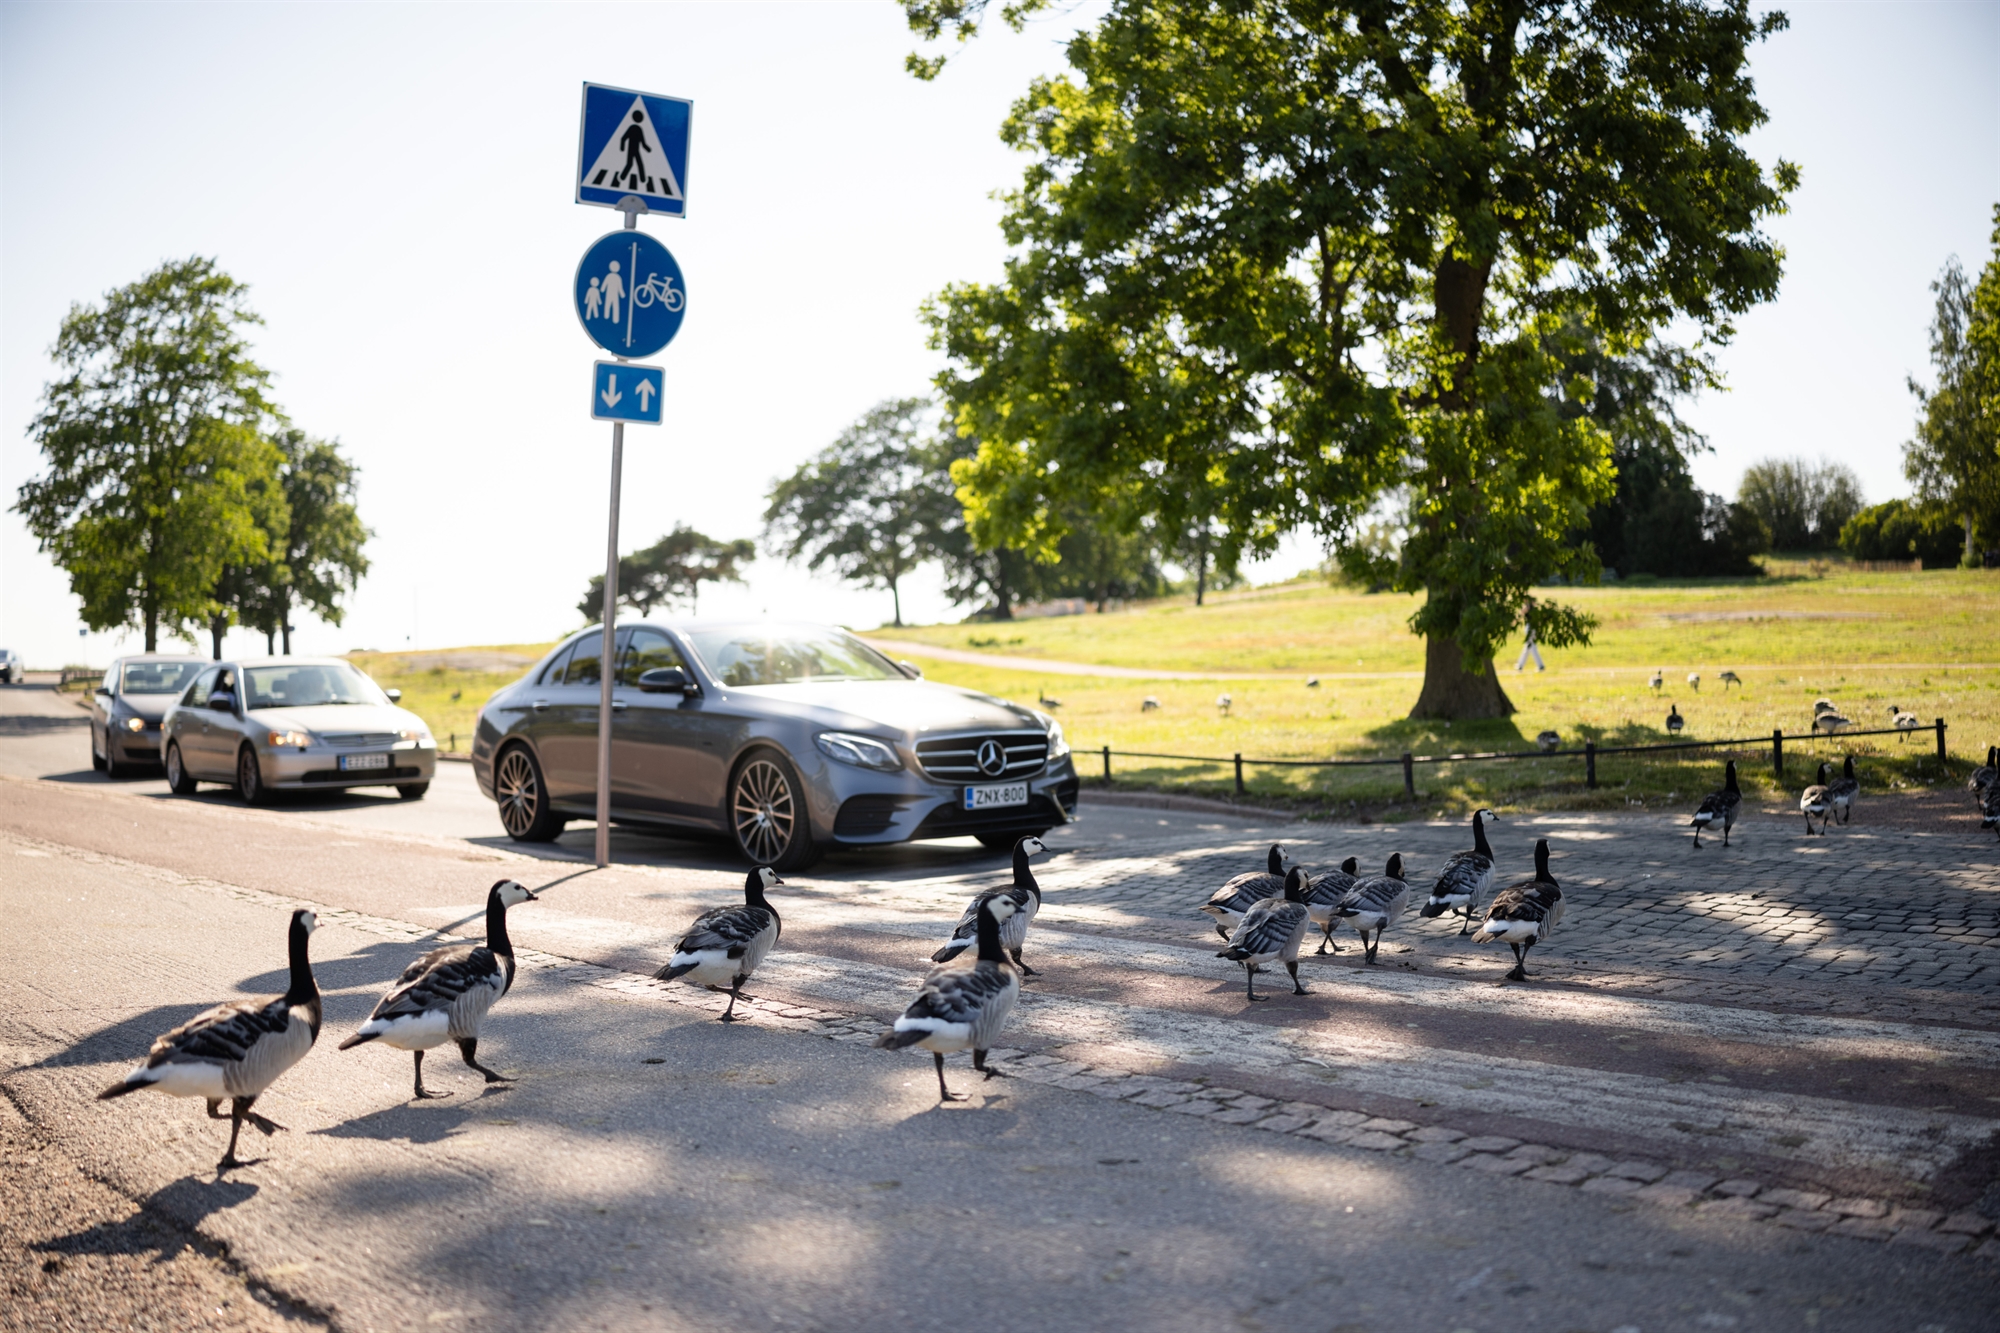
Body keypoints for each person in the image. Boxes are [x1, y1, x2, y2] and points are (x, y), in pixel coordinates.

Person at [617, 110, 651, 190]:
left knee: (634, 164)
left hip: (635, 149)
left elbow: (642, 142)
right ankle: (623, 177)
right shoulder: (633, 128)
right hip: (632, 149)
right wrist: (622, 148)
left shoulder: (638, 129)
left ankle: (640, 179)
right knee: (633, 164)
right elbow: (623, 138)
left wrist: (647, 149)